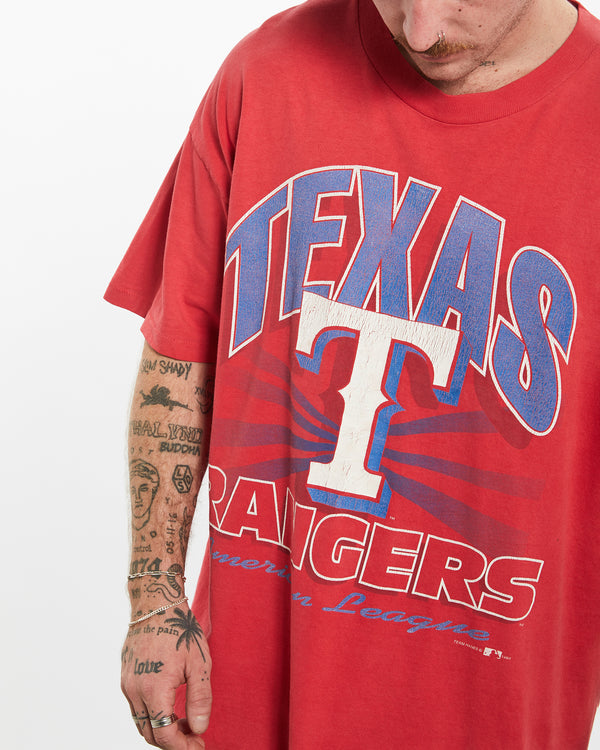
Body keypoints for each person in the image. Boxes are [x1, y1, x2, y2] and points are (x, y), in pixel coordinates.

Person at [106, 0, 600, 746]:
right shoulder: (266, 75)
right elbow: (182, 353)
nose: (421, 32)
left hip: (491, 716)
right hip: (235, 709)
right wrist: (154, 598)